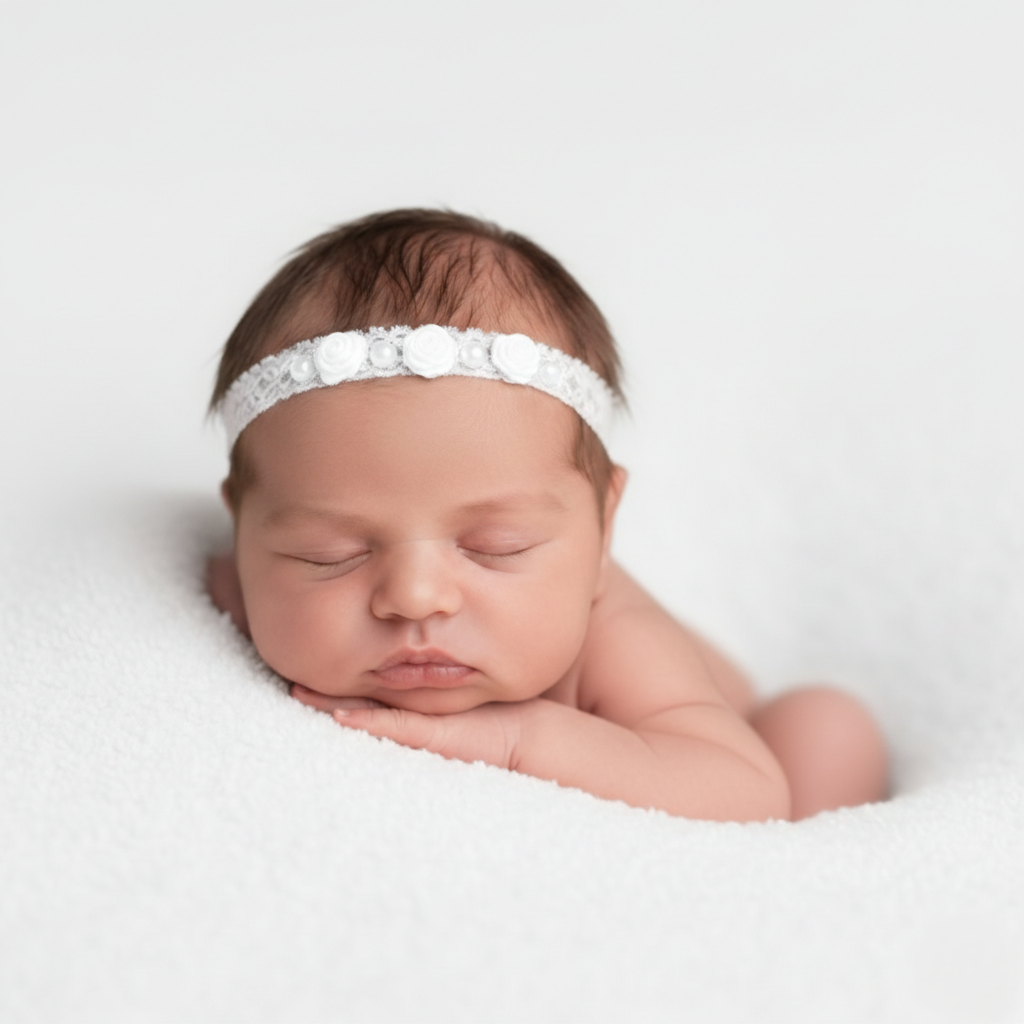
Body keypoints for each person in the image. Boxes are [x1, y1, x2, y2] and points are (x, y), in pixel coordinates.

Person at [206, 208, 888, 822]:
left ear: (601, 531)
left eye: (495, 546)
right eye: (329, 554)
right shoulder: (236, 588)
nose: (415, 596)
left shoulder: (614, 636)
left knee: (828, 725)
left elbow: (746, 788)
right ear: (245, 534)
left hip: (744, 744)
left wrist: (517, 740)